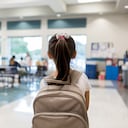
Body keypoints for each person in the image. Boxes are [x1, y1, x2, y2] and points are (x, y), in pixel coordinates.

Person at [40, 33, 91, 111]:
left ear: (49, 55)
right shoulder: (82, 78)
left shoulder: (44, 83)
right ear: (74, 54)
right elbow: (85, 108)